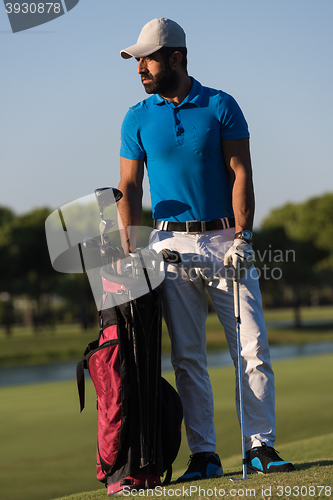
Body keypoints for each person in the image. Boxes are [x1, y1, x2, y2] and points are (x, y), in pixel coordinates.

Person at [117, 17, 295, 480]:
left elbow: (241, 172)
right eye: (137, 60)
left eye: (148, 58)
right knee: (188, 357)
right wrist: (132, 249)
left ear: (176, 56)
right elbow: (129, 187)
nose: (140, 68)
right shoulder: (137, 117)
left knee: (252, 348)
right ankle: (205, 456)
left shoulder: (221, 105)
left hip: (224, 241)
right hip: (167, 242)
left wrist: (243, 236)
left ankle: (260, 448)